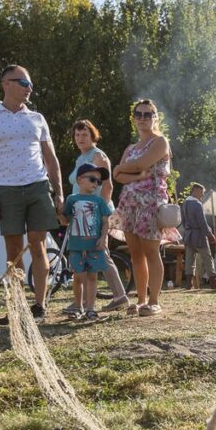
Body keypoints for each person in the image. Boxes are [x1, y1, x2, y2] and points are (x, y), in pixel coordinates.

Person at [0, 64, 64, 323]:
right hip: (6, 188)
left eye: (31, 84)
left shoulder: (36, 118)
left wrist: (58, 193)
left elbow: (51, 158)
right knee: (13, 252)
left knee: (38, 245)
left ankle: (39, 306)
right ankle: (17, 308)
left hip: (37, 186)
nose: (30, 89)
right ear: (7, 84)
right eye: (24, 83)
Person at [112, 99, 179, 317]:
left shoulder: (160, 142)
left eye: (148, 114)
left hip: (150, 203)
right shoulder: (131, 148)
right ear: (133, 119)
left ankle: (154, 301)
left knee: (151, 251)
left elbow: (133, 167)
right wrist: (138, 173)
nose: (143, 118)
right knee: (136, 254)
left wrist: (125, 168)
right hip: (129, 203)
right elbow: (118, 177)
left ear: (155, 117)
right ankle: (140, 301)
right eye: (139, 114)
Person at [62, 119, 128, 315]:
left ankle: (119, 296)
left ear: (93, 136)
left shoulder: (98, 156)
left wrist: (100, 214)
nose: (80, 138)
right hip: (81, 212)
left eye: (85, 135)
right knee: (86, 255)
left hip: (95, 212)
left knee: (100, 253)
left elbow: (107, 187)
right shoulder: (80, 158)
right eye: (77, 135)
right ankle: (80, 303)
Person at [60, 164, 113, 319]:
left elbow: (105, 222)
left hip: (94, 245)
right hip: (76, 245)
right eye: (92, 179)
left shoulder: (100, 201)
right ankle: (78, 307)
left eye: (99, 181)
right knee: (78, 276)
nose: (96, 183)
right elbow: (65, 219)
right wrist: (58, 212)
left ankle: (90, 308)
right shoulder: (72, 199)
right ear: (79, 180)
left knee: (93, 276)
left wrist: (103, 239)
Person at [181, 182, 216, 289]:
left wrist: (188, 230)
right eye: (201, 192)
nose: (202, 195)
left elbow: (183, 221)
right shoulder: (197, 204)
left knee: (189, 260)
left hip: (188, 235)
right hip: (199, 236)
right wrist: (210, 235)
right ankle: (213, 284)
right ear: (195, 190)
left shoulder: (185, 203)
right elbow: (202, 223)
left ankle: (189, 285)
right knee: (208, 258)